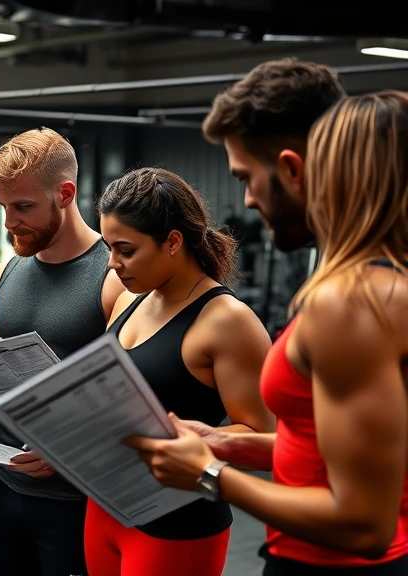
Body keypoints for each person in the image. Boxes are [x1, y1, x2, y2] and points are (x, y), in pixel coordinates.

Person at [131, 76, 408, 574]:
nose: (249, 202)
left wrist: (209, 473)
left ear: (290, 169)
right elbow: (335, 449)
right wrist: (225, 442)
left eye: (244, 178)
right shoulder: (376, 285)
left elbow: (364, 522)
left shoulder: (351, 301)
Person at [0, 127, 126, 576]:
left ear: (65, 193)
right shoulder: (2, 276)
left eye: (23, 207)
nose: (9, 222)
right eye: (3, 207)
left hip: (79, 500)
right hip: (3, 490)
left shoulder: (114, 279)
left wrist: (70, 448)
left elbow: (135, 404)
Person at [87, 167, 276, 576]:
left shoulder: (226, 320)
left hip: (177, 520)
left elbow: (262, 433)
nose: (112, 263)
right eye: (107, 247)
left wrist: (189, 438)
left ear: (173, 242)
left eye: (126, 250)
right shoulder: (127, 301)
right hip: (104, 508)